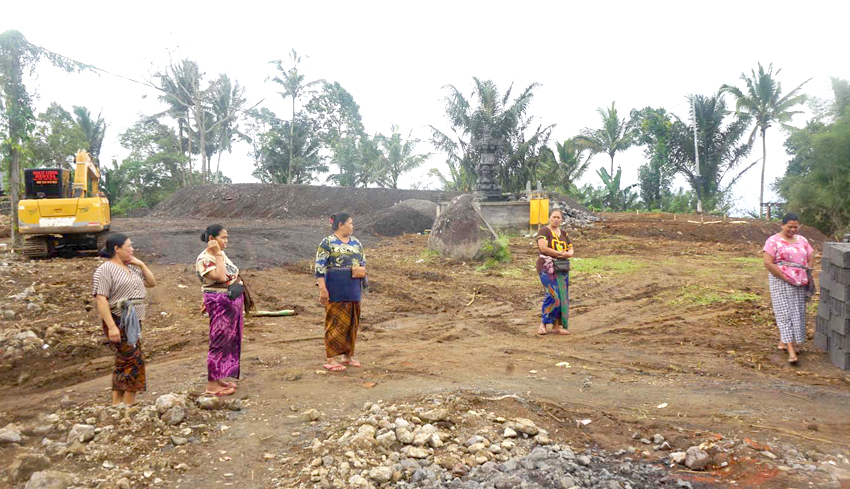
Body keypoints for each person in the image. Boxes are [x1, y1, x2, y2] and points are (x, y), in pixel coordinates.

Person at [93, 233, 157, 405]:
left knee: (123, 361)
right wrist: (112, 326)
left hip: (134, 320)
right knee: (134, 360)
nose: (132, 249)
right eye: (129, 246)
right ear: (117, 248)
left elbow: (151, 283)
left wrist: (141, 264)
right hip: (119, 318)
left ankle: (116, 404)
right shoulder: (105, 269)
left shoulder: (132, 267)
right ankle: (130, 403)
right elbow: (101, 298)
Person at [196, 224, 244, 396]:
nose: (226, 241)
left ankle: (219, 377)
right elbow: (221, 277)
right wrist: (217, 254)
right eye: (223, 238)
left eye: (227, 238)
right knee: (219, 340)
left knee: (230, 339)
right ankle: (212, 385)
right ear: (211, 239)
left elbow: (232, 273)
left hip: (230, 300)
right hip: (220, 302)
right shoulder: (205, 258)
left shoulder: (220, 255)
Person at [315, 213, 366, 372]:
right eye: (350, 223)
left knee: (352, 322)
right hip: (335, 288)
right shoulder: (327, 243)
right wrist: (323, 288)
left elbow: (362, 263)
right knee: (335, 322)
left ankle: (347, 356)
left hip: (353, 288)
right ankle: (331, 358)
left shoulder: (356, 243)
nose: (352, 226)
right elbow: (320, 267)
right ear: (341, 225)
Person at [763, 213, 815, 364]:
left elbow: (811, 257)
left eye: (795, 227)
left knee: (797, 312)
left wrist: (807, 271)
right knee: (784, 312)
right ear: (782, 225)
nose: (793, 229)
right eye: (789, 227)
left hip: (799, 282)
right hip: (781, 281)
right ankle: (791, 351)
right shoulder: (773, 241)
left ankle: (783, 341)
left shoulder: (803, 240)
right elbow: (768, 263)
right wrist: (785, 277)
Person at [536, 209, 574, 336]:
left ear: (562, 219)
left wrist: (568, 254)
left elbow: (571, 248)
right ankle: (543, 323)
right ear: (549, 218)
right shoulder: (544, 231)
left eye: (558, 217)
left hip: (561, 267)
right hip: (547, 267)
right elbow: (543, 248)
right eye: (554, 217)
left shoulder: (564, 233)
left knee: (562, 296)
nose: (556, 219)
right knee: (553, 295)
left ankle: (557, 326)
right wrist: (559, 254)